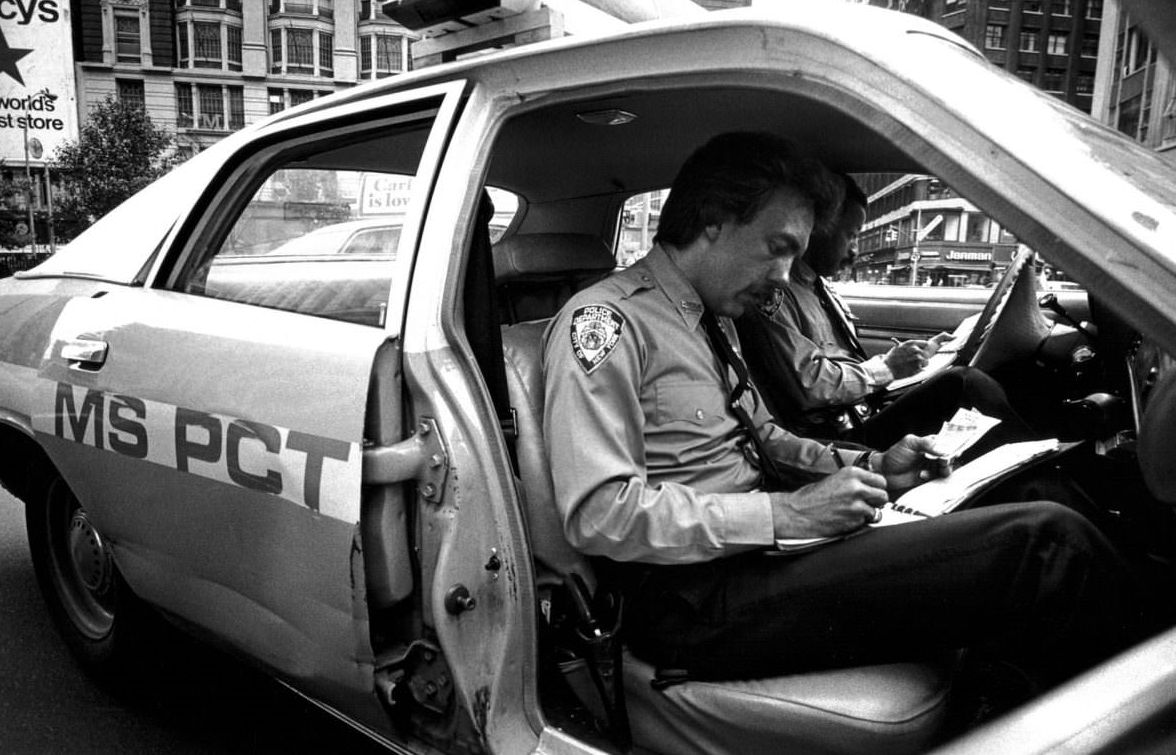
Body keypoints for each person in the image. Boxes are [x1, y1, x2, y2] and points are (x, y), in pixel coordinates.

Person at [541, 131, 1143, 693]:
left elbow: (767, 437)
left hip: (758, 551)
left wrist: (876, 463)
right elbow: (599, 513)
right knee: (1045, 544)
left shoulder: (711, 316)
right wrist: (786, 513)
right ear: (712, 220)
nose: (783, 276)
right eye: (778, 248)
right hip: (692, 595)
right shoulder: (607, 323)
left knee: (1034, 490)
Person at [734, 173, 1033, 451]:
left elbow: (847, 361)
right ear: (818, 229)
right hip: (833, 437)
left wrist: (920, 357)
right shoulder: (775, 294)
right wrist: (888, 368)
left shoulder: (822, 289)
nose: (854, 251)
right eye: (850, 235)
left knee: (959, 383)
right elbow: (810, 386)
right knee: (963, 384)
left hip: (863, 411)